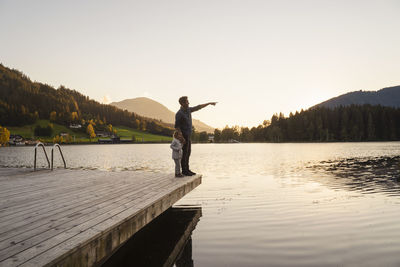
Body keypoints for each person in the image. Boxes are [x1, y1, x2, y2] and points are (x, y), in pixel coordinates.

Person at [175, 96, 217, 176]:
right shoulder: (179, 114)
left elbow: (199, 107)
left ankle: (187, 169)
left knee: (188, 153)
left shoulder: (188, 110)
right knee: (184, 154)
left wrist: (209, 103)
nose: (188, 103)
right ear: (182, 103)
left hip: (188, 135)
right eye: (187, 102)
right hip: (183, 137)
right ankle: (184, 170)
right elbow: (177, 127)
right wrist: (181, 137)